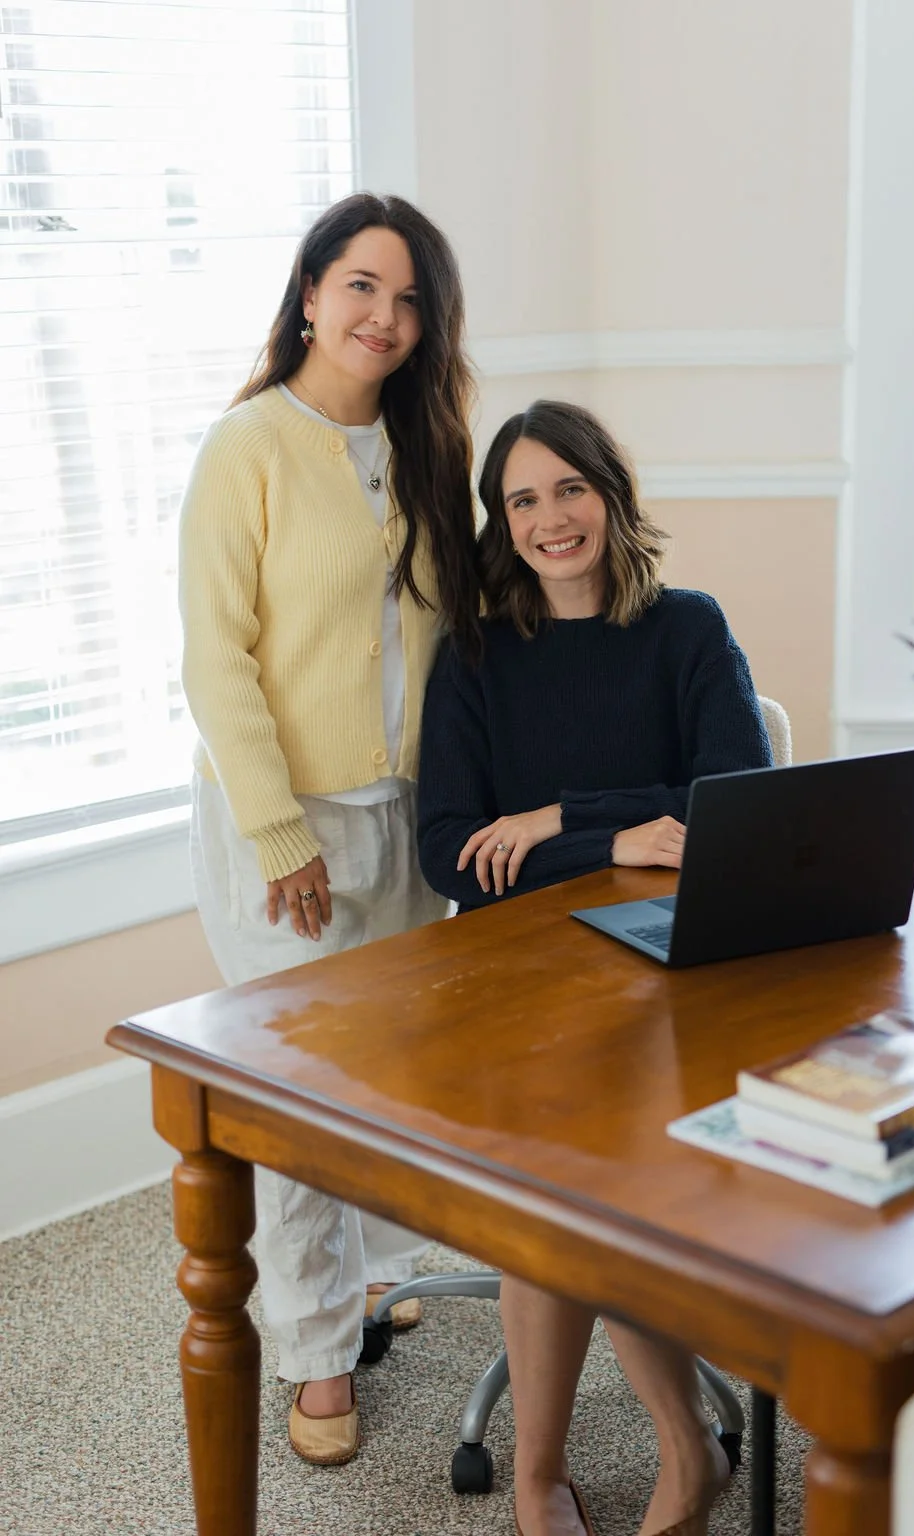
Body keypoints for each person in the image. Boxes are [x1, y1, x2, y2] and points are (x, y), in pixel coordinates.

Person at [417, 400, 772, 1536]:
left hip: (672, 961)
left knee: (578, 1173)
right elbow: (453, 850)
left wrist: (569, 817)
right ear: (499, 522)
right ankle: (547, 1470)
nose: (550, 519)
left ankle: (646, 1450)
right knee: (560, 1172)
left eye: (569, 489)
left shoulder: (688, 629)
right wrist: (606, 838)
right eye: (522, 499)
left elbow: (734, 807)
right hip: (520, 973)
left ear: (611, 497)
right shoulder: (472, 658)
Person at [178, 192, 480, 1467]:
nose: (385, 318)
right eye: (362, 286)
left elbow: (454, 647)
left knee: (388, 1087)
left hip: (407, 821)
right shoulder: (245, 448)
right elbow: (215, 661)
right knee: (300, 1101)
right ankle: (310, 1357)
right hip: (284, 830)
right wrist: (277, 836)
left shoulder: (426, 447)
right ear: (309, 292)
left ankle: (357, 1289)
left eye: (409, 299)